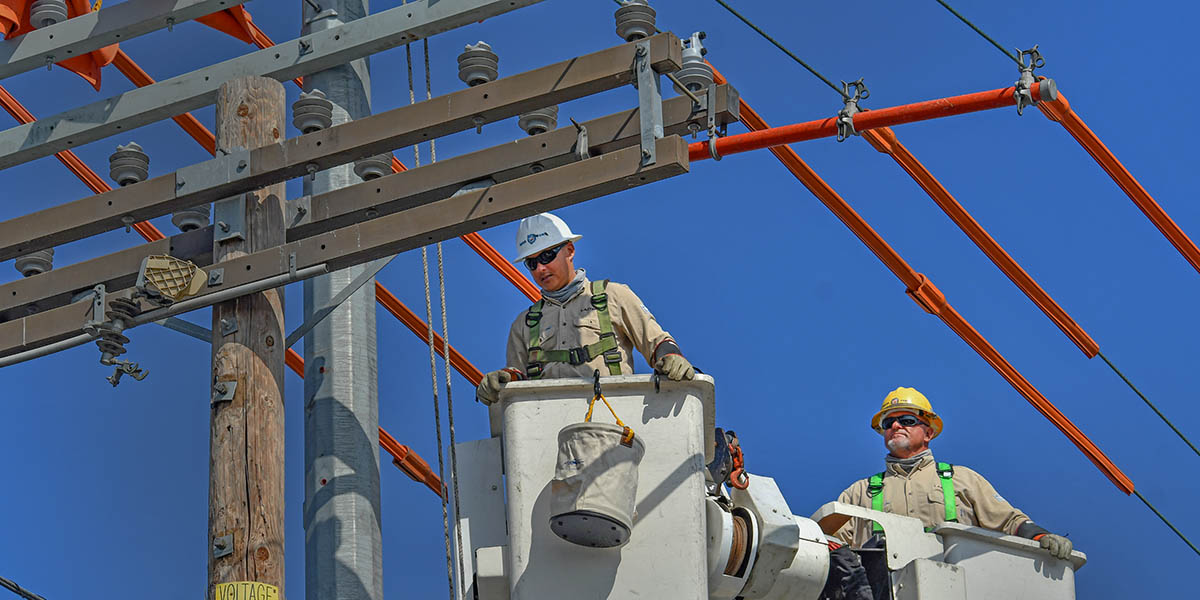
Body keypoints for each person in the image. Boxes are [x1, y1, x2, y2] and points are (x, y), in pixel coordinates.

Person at [824, 387, 1074, 599]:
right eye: (889, 423)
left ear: (929, 432)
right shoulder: (860, 493)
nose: (896, 426)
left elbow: (1009, 521)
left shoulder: (961, 480)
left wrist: (1040, 536)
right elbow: (829, 547)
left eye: (908, 420)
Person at [475, 212, 694, 405]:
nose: (540, 268)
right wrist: (501, 379)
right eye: (532, 263)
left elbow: (657, 342)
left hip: (613, 419)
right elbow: (517, 382)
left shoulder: (612, 297)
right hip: (549, 431)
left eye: (547, 256)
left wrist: (673, 357)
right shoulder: (524, 324)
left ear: (569, 250)